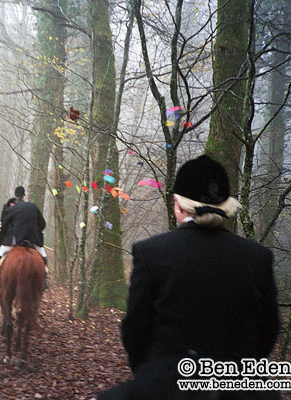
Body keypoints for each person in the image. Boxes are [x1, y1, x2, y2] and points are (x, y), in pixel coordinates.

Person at [97, 155, 280, 400]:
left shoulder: (150, 252)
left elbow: (135, 330)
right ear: (226, 206)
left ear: (177, 204)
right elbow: (269, 330)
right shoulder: (258, 257)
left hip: (168, 385)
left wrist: (153, 375)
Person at [0, 186, 47, 286]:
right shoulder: (33, 206)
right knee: (43, 255)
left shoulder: (11, 208)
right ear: (23, 196)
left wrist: (0, 241)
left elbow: (3, 226)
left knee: (1, 253)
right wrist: (37, 233)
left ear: (15, 195)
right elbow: (42, 224)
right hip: (33, 239)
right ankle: (44, 280)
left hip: (14, 239)